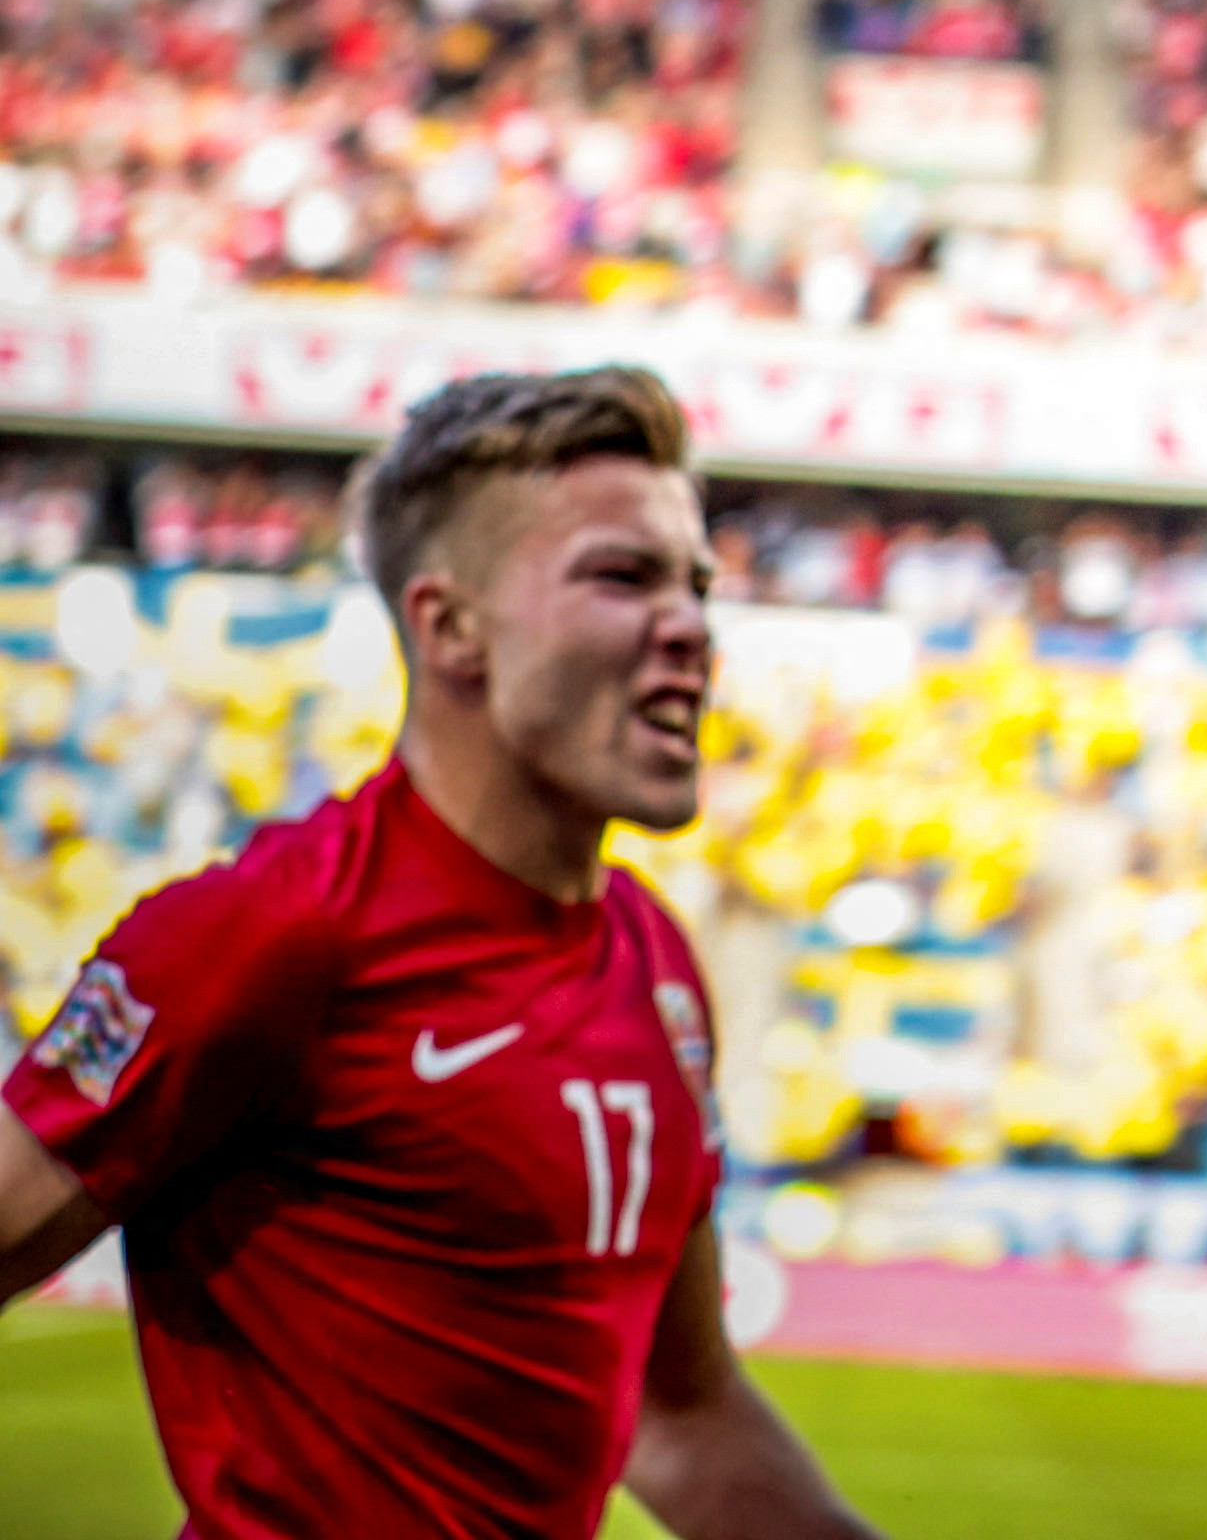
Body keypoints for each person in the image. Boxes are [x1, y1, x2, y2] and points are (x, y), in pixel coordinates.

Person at [0, 368, 879, 1540]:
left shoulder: (655, 963)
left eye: (697, 585)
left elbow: (682, 1413)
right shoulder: (271, 936)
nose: (690, 627)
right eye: (624, 577)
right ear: (451, 626)